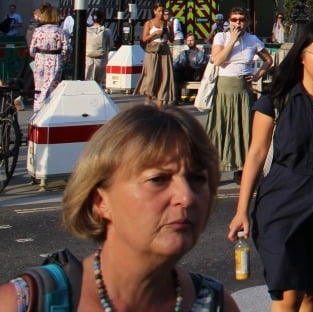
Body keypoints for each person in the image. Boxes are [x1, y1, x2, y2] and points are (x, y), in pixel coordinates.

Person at [0, 104, 239, 312]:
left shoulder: (216, 304)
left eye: (197, 179)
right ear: (100, 200)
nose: (186, 197)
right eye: (158, 179)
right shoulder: (23, 303)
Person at [229, 20, 313, 311]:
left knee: (308, 293)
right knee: (287, 294)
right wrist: (242, 210)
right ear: (302, 55)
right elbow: (255, 155)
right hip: (281, 200)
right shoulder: (276, 100)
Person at [205, 7, 273, 179]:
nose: (237, 23)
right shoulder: (221, 37)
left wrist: (257, 75)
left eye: (241, 20)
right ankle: (214, 167)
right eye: (234, 19)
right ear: (229, 21)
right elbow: (218, 60)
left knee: (244, 129)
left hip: (243, 90)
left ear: (247, 22)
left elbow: (269, 60)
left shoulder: (252, 39)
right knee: (221, 128)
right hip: (223, 89)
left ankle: (242, 168)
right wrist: (232, 41)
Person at [28, 2, 69, 113]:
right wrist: (63, 56)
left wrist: (37, 54)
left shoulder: (38, 31)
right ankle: (50, 110)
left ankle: (38, 108)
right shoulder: (61, 31)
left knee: (39, 87)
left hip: (40, 61)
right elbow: (67, 49)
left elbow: (32, 50)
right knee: (53, 87)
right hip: (55, 59)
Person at [136, 3, 176, 107]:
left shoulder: (168, 23)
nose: (161, 13)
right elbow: (144, 39)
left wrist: (169, 31)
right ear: (155, 11)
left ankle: (160, 104)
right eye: (159, 11)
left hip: (164, 50)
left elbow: (171, 39)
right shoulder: (149, 23)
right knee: (151, 77)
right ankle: (148, 101)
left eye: (163, 11)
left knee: (165, 77)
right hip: (152, 51)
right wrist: (154, 33)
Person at [173, 34, 208, 101]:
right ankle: (176, 98)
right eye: (188, 41)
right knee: (176, 70)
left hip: (195, 74)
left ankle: (194, 95)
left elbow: (202, 65)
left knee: (197, 69)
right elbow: (175, 63)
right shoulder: (183, 53)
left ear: (196, 41)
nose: (189, 42)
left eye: (191, 40)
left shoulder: (200, 54)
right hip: (184, 73)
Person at [85, 10, 114, 85]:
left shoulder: (86, 30)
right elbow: (111, 45)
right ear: (102, 19)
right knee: (98, 80)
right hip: (101, 58)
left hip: (88, 57)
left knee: (87, 78)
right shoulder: (107, 31)